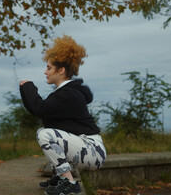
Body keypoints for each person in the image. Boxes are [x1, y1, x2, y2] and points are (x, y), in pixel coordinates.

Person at [19, 35, 106, 195]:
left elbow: (39, 108)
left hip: (93, 151)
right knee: (51, 129)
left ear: (61, 71)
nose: (45, 72)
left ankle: (69, 183)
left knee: (44, 134)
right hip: (88, 148)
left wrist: (28, 86)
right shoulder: (67, 92)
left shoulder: (69, 94)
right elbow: (46, 112)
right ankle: (61, 177)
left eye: (49, 68)